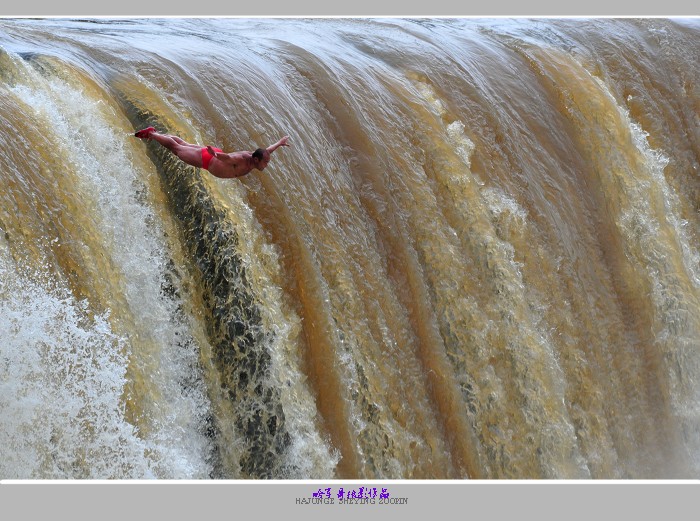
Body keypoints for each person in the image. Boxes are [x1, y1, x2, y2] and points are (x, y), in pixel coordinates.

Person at [134, 127, 290, 179]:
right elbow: (228, 158)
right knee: (177, 149)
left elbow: (267, 150)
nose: (267, 164)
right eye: (265, 162)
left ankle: (158, 134)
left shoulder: (255, 157)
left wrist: (279, 143)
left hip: (212, 155)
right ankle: (152, 134)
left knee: (182, 144)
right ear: (256, 160)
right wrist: (214, 155)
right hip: (209, 159)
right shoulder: (242, 159)